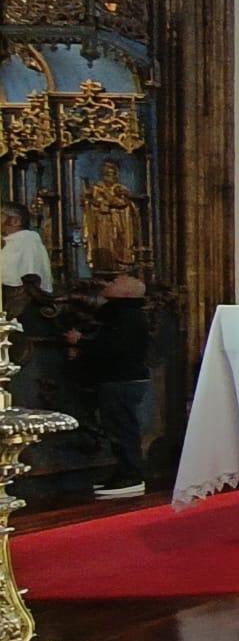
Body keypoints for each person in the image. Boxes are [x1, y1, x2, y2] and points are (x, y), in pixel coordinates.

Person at [66, 273, 153, 498]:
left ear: (125, 293)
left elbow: (114, 349)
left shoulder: (128, 317)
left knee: (122, 431)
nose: (108, 284)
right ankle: (124, 473)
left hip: (122, 380)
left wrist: (80, 342)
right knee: (119, 430)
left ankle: (131, 476)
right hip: (121, 379)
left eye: (114, 283)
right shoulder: (122, 314)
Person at [1, 202, 53, 310]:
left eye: (1, 216)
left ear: (15, 221)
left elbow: (12, 276)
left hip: (25, 305)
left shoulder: (27, 240)